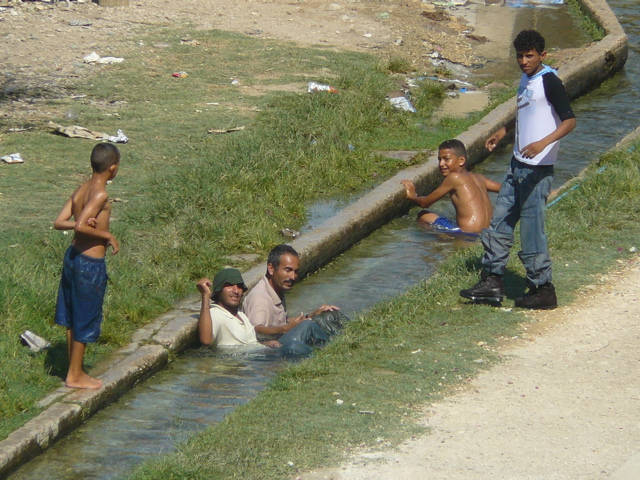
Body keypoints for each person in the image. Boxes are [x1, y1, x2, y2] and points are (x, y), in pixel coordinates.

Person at [460, 29, 576, 310]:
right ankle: (492, 281)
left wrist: (542, 143)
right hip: (516, 167)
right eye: (520, 56)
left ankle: (543, 289)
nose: (524, 61)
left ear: (542, 56)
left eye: (529, 56)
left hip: (537, 171)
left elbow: (570, 121)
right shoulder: (527, 79)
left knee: (532, 231)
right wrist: (503, 132)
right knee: (499, 223)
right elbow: (525, 111)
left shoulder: (549, 81)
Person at [53, 143, 121, 389]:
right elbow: (82, 226)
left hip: (73, 257)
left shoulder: (82, 188)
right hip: (89, 264)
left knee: (72, 316)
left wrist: (82, 225)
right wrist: (106, 235)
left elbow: (60, 222)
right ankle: (75, 376)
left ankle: (74, 369)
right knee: (85, 316)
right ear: (112, 168)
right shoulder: (100, 194)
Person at [242, 244, 340, 355]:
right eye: (288, 270)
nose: (293, 277)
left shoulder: (277, 288)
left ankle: (344, 340)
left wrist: (312, 315)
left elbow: (283, 320)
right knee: (308, 326)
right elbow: (255, 330)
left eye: (296, 271)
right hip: (268, 353)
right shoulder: (258, 297)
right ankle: (335, 350)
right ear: (271, 268)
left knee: (328, 315)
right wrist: (284, 329)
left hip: (281, 342)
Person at [401, 139, 501, 234]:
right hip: (487, 233)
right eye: (439, 159)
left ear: (461, 160)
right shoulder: (480, 178)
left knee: (424, 215)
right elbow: (505, 188)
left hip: (467, 234)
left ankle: (439, 242)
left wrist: (412, 195)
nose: (441, 164)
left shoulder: (454, 177)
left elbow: (425, 203)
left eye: (446, 159)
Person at [195, 268, 278, 348]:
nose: (236, 291)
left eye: (239, 286)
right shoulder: (216, 314)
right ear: (218, 290)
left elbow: (248, 344)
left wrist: (265, 344)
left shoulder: (240, 314)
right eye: (229, 285)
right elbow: (206, 341)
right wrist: (205, 295)